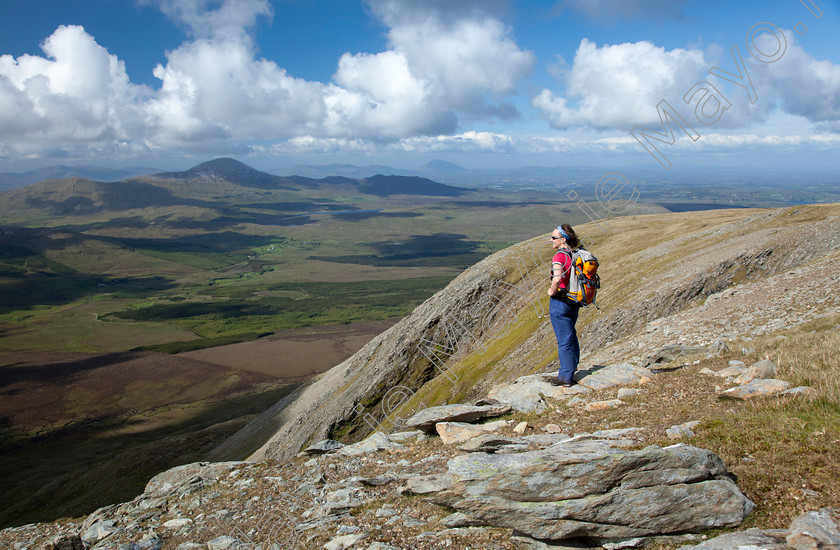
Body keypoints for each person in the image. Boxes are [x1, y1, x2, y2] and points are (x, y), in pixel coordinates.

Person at [547, 224, 581, 387]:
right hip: (574, 301)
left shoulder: (559, 256)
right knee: (570, 334)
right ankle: (572, 367)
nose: (550, 240)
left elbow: (557, 278)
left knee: (564, 340)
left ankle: (565, 377)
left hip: (560, 301)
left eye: (553, 238)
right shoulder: (575, 254)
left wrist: (551, 292)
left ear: (563, 240)